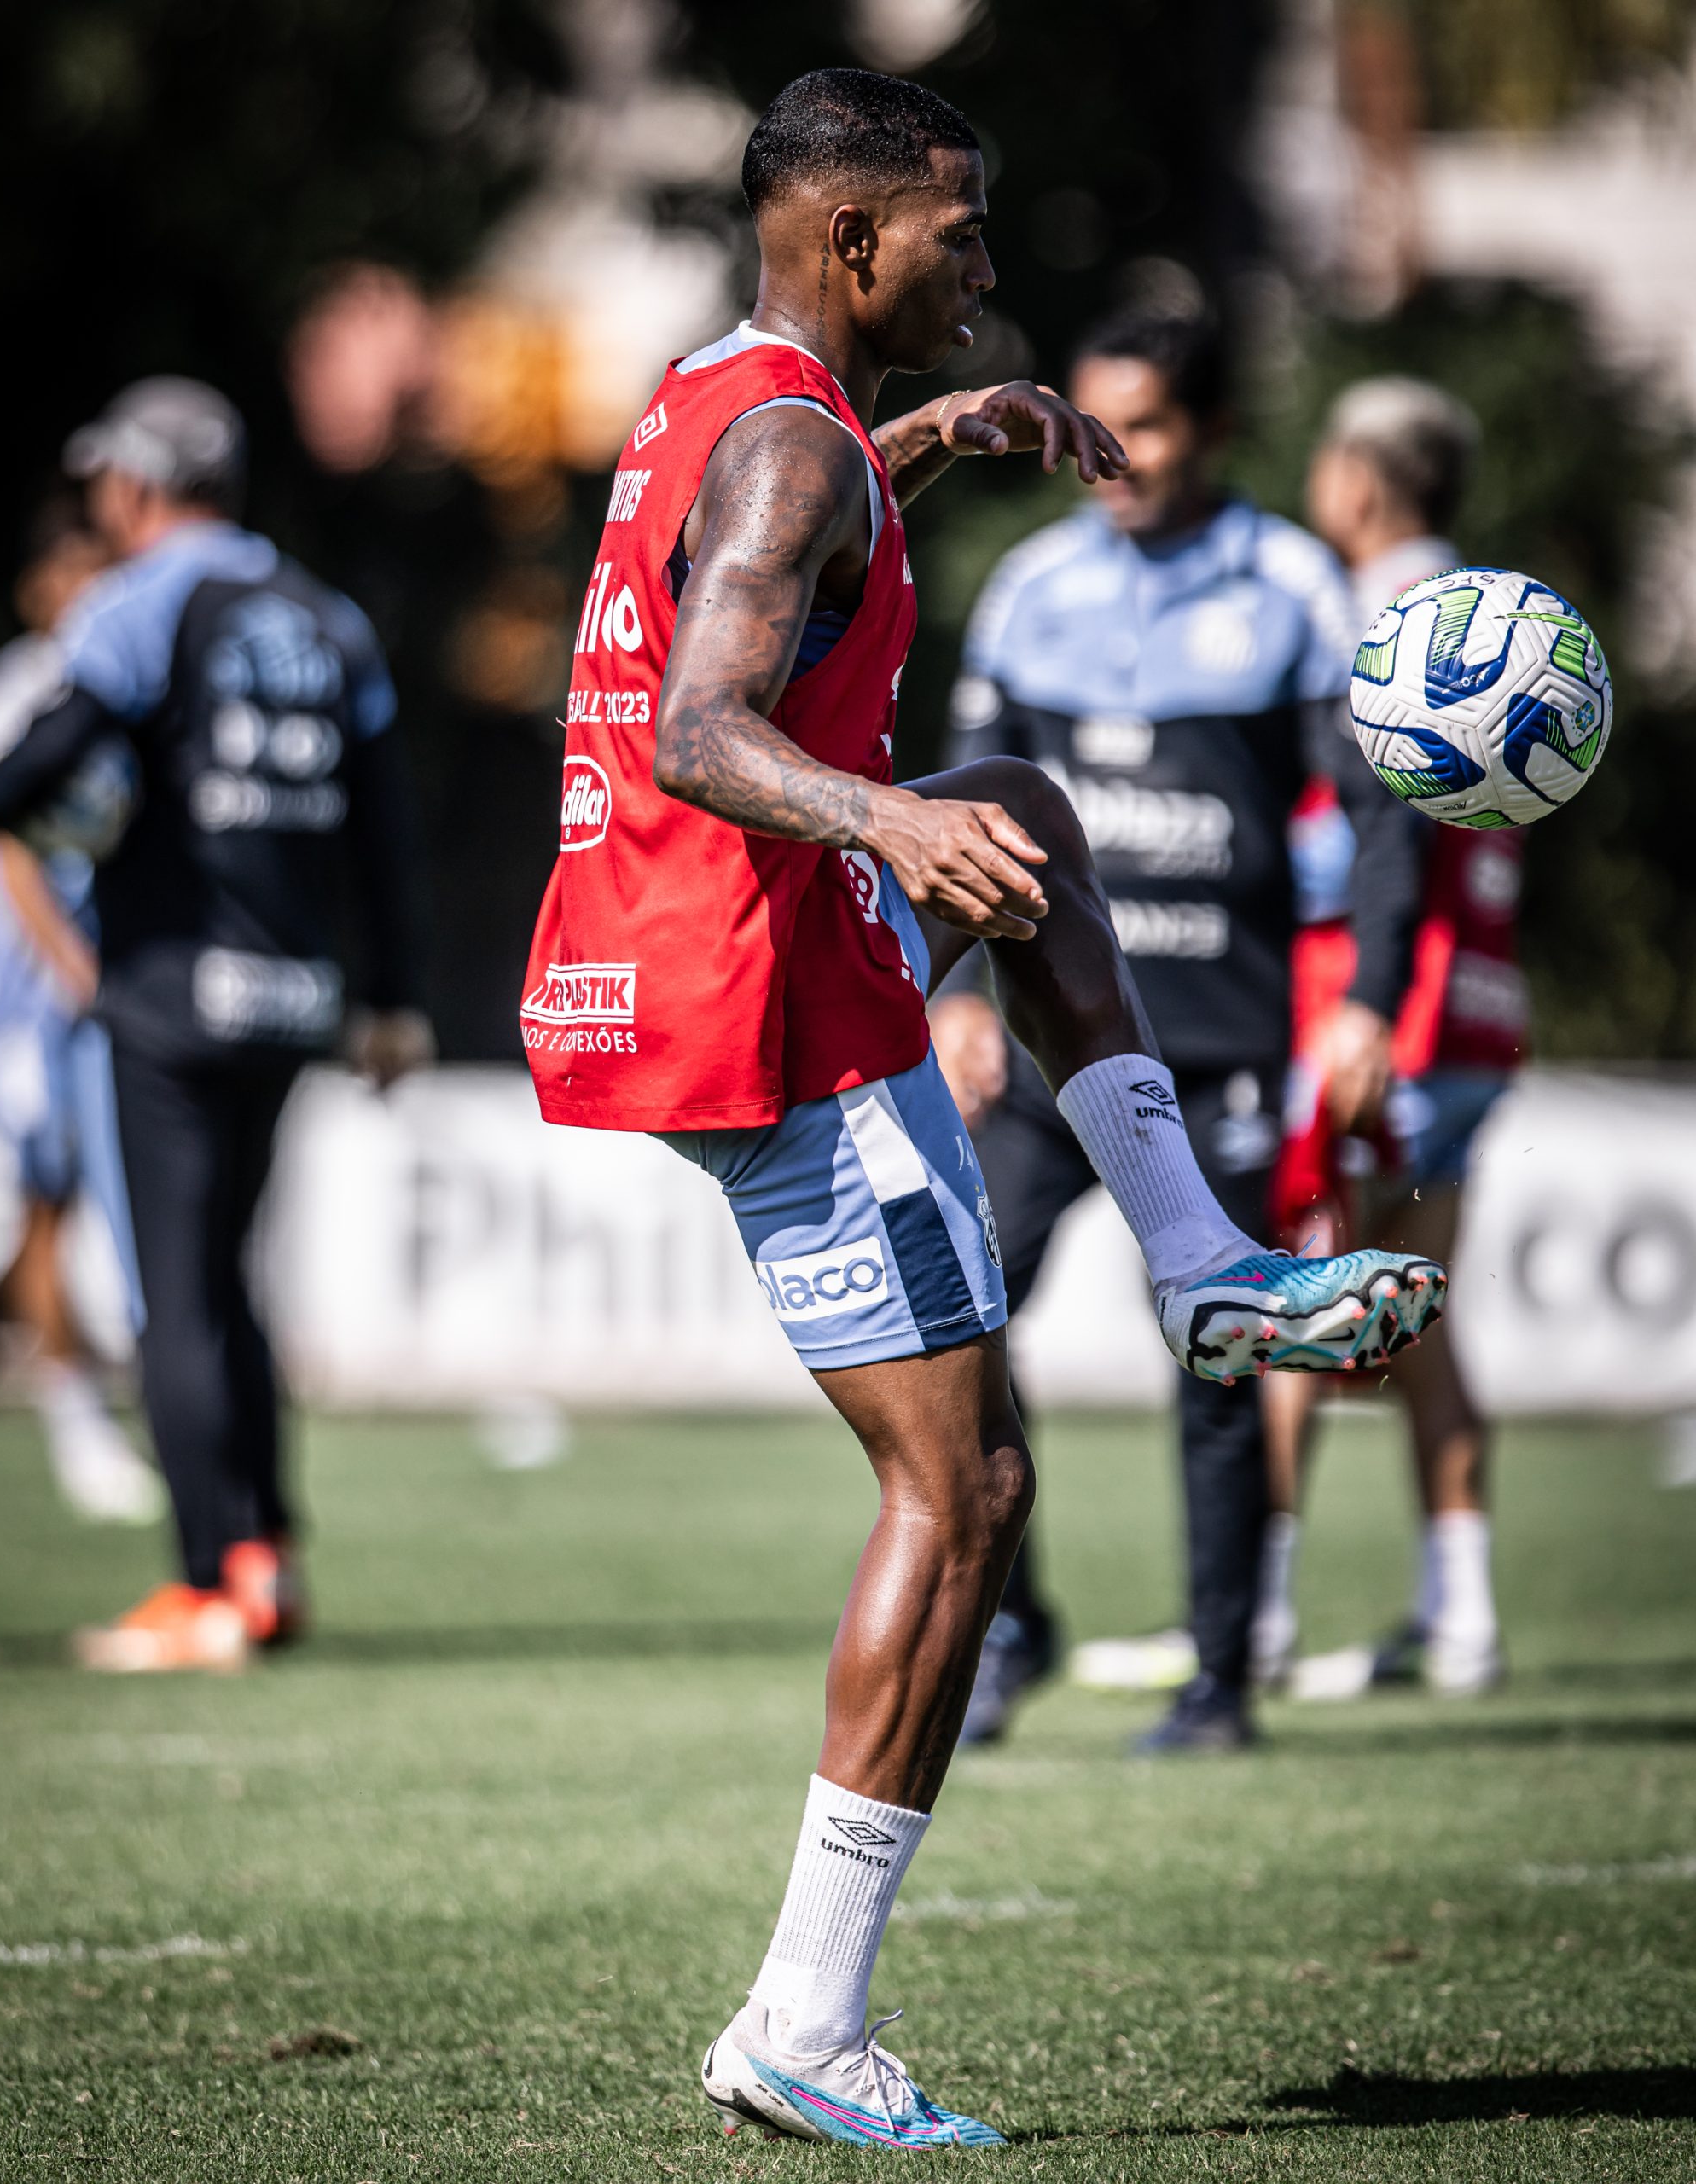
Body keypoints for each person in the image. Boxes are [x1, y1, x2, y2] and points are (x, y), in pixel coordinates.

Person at [520, 69, 1445, 2146]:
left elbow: (773, 555)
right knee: (965, 1495)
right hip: (764, 1006)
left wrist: (927, 443)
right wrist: (879, 822)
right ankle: (800, 2021)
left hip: (713, 950)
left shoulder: (746, 402)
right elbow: (699, 722)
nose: (990, 266)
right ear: (852, 242)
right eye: (958, 231)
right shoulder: (782, 448)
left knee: (1020, 804)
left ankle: (1200, 1259)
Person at [933, 305, 1427, 1754]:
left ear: (1209, 429)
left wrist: (1369, 999)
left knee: (1217, 1345)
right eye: (1090, 421)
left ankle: (1217, 1680)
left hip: (1214, 1048)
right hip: (1041, 1052)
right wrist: (959, 998)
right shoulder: (1028, 590)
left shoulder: (1291, 589)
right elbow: (956, 813)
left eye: (1143, 422)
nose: (1111, 452)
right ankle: (1011, 1626)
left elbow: (1380, 817)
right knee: (961, 1318)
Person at [0, 377, 433, 1671]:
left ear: (137, 485)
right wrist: (394, 999)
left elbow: (41, 762)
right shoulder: (326, 620)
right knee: (233, 1283)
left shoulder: (145, 603)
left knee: (174, 1296)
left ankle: (206, 1583)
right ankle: (266, 1557)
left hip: (164, 997)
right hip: (292, 998)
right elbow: (385, 835)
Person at [1257, 375, 1517, 1699]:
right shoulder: (1505, 618)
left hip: (1376, 1017)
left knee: (1297, 1299)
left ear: (1358, 482)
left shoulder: (1383, 624)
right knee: (1422, 1320)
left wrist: (1360, 1010)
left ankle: (1255, 1613)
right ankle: (1459, 1614)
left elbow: (1375, 838)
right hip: (1477, 1006)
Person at [0, 506, 160, 1525]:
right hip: (23, 1000)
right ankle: (79, 1424)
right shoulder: (16, 695)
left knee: (48, 1205)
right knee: (36, 1200)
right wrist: (71, 963)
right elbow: (6, 849)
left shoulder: (114, 681)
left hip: (95, 985)